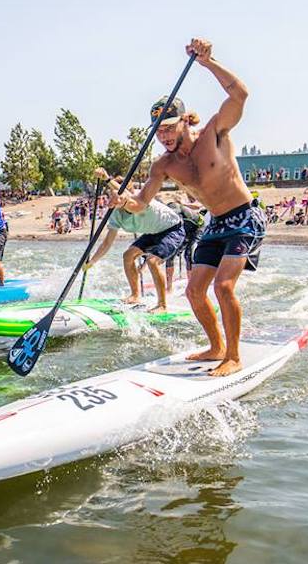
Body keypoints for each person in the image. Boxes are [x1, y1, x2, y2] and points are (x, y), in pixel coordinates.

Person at [110, 38, 263, 376]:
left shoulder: (214, 133)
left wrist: (208, 62)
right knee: (195, 290)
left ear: (184, 121)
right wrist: (123, 201)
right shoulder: (163, 165)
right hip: (215, 222)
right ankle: (216, 346)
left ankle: (233, 357)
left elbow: (240, 95)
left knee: (223, 286)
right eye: (157, 130)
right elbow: (140, 204)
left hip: (245, 217)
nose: (162, 135)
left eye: (168, 127)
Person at [85, 170, 185, 313]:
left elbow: (127, 197)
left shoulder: (140, 199)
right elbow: (107, 243)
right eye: (111, 194)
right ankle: (135, 295)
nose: (113, 197)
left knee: (152, 261)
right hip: (153, 232)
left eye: (116, 193)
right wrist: (92, 262)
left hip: (172, 229)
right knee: (128, 255)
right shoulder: (116, 214)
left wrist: (107, 178)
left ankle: (162, 305)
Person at [165, 197, 205, 292]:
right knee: (170, 255)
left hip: (197, 228)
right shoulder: (165, 216)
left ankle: (190, 287)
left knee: (188, 254)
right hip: (185, 229)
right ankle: (169, 287)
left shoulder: (178, 211)